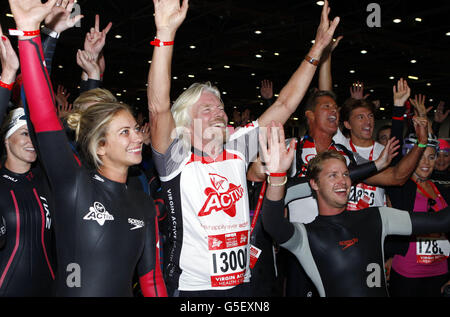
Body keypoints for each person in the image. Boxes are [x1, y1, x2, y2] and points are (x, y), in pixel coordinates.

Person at [148, 0, 340, 296]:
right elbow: (159, 106)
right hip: (194, 291)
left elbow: (285, 104)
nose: (219, 111)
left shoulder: (237, 149)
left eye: (220, 107)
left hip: (243, 284)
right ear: (186, 122)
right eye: (207, 108)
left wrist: (316, 50)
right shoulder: (176, 158)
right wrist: (165, 33)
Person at [9, 0, 166, 296]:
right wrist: (32, 36)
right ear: (101, 147)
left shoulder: (143, 205)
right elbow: (41, 114)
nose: (137, 138)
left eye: (135, 129)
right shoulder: (75, 184)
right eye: (125, 132)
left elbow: (152, 281)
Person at [259, 123, 450, 296]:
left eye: (345, 174)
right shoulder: (307, 236)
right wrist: (276, 176)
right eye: (332, 175)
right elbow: (273, 223)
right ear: (314, 185)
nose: (342, 180)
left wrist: (373, 166)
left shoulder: (378, 216)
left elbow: (441, 220)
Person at [0, 28, 55, 296]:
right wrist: (8, 76)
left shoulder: (44, 180)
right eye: (23, 134)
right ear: (6, 140)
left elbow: (40, 102)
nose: (31, 140)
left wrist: (52, 36)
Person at [387, 134, 450, 297]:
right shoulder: (400, 187)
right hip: (409, 272)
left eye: (431, 157)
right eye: (420, 157)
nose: (426, 163)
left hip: (440, 271)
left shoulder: (440, 189)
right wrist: (399, 111)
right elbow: (396, 164)